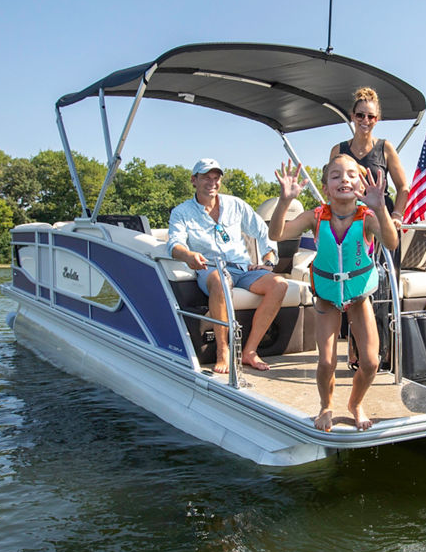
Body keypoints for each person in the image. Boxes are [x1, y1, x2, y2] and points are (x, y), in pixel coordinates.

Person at [269, 155, 398, 432]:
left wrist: (381, 209)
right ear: (326, 187)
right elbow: (277, 234)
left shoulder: (368, 218)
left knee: (372, 361)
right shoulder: (315, 218)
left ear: (361, 184)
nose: (345, 180)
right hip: (327, 297)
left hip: (358, 296)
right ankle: (326, 406)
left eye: (352, 175)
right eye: (336, 175)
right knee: (326, 361)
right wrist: (285, 200)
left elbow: (391, 241)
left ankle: (355, 403)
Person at [167, 158, 288, 375]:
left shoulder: (236, 204)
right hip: (210, 268)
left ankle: (250, 351)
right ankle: (223, 351)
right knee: (219, 281)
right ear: (194, 180)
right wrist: (188, 255)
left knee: (279, 284)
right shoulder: (181, 212)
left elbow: (264, 233)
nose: (212, 182)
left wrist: (268, 261)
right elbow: (174, 245)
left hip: (243, 267)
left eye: (216, 178)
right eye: (206, 177)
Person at [328, 86, 409, 219]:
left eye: (371, 116)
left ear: (376, 120)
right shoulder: (337, 150)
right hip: (349, 220)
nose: (365, 120)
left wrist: (396, 215)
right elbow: (330, 188)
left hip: (381, 219)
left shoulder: (386, 148)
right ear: (353, 116)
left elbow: (403, 186)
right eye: (360, 115)